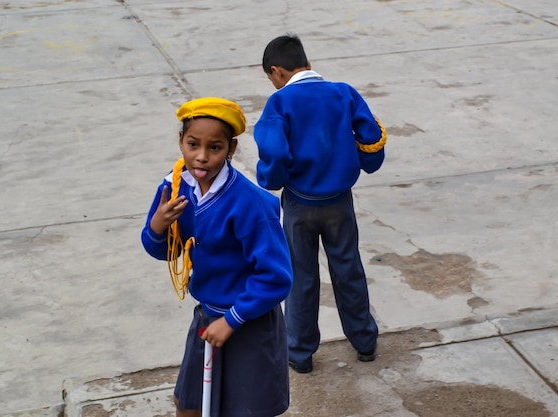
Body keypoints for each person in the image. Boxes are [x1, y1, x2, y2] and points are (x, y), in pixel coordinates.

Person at [141, 97, 293, 417]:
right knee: (190, 408)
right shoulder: (173, 188)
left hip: (250, 321)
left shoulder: (250, 204)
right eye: (193, 144)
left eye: (215, 147)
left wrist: (233, 320)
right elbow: (161, 250)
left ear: (231, 149)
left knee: (246, 410)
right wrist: (157, 226)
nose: (201, 157)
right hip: (208, 319)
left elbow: (276, 276)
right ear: (180, 141)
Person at [253, 34, 387, 374]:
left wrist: (272, 179)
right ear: (308, 64)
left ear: (276, 72)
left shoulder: (279, 103)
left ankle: (299, 353)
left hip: (299, 205)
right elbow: (371, 138)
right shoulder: (343, 93)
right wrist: (358, 161)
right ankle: (365, 342)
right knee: (348, 270)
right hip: (339, 203)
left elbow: (275, 155)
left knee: (301, 278)